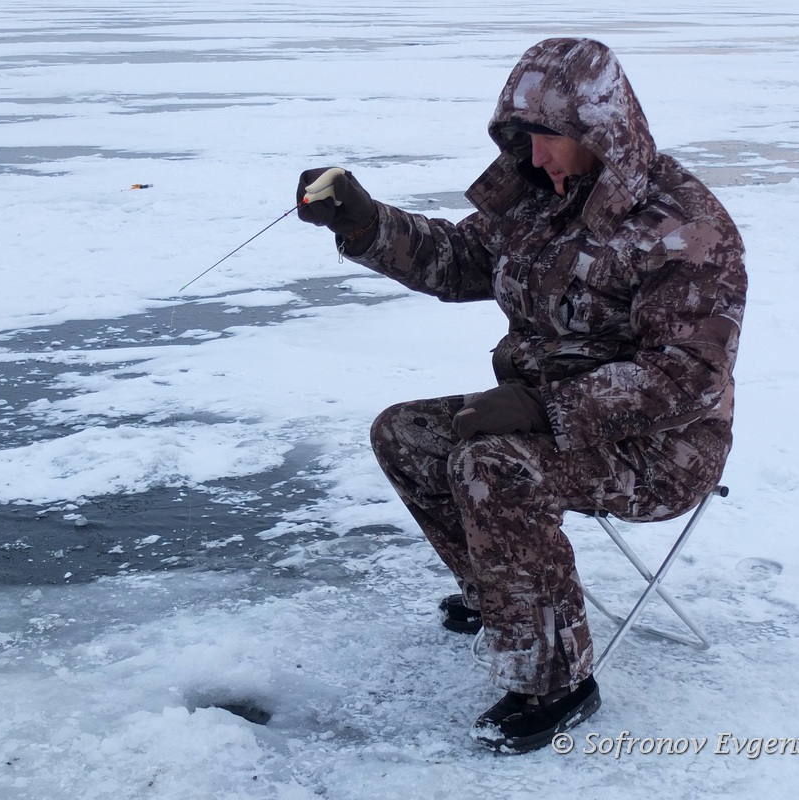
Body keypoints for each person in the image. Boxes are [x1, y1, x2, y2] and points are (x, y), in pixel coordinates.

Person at [296, 38, 746, 754]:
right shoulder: (536, 197)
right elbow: (458, 260)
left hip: (663, 445)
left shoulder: (684, 226)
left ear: (603, 130)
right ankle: (501, 595)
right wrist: (365, 223)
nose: (535, 157)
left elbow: (689, 378)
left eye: (550, 139)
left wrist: (548, 410)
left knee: (493, 465)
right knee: (403, 436)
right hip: (542, 409)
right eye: (522, 139)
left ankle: (557, 680)